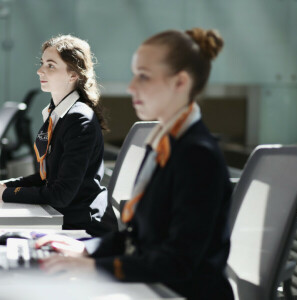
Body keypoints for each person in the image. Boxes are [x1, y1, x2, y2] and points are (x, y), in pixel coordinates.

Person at [36, 28, 234, 300]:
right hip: (155, 285)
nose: (131, 87)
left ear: (180, 82)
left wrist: (94, 268)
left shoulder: (197, 155)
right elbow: (140, 236)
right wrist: (87, 250)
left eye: (144, 76)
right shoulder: (165, 143)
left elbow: (177, 261)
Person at [0, 35, 117, 237]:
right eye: (42, 64)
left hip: (84, 228)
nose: (40, 71)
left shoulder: (79, 119)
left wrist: (2, 193)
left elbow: (60, 194)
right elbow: (47, 177)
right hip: (64, 217)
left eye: (50, 66)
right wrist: (2, 186)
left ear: (73, 75)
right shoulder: (58, 113)